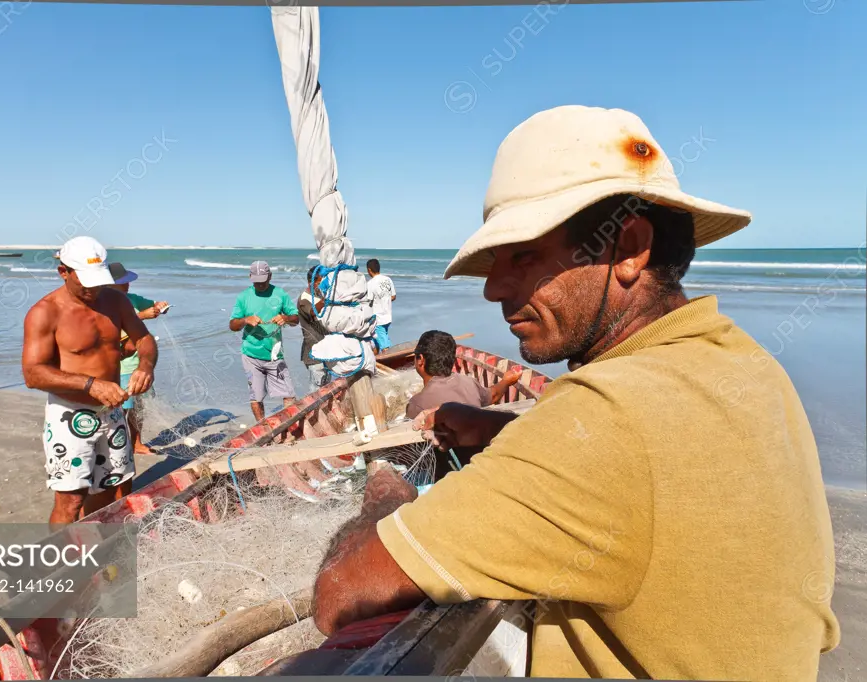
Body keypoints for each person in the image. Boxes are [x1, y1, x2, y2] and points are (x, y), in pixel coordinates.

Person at [310, 105, 839, 679]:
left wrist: (387, 493)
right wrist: (499, 430)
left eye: (522, 255)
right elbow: (650, 471)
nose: (491, 288)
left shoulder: (606, 415)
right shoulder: (746, 365)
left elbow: (342, 592)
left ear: (630, 248)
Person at [21, 236, 158, 528]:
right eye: (85, 281)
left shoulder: (116, 301)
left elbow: (143, 338)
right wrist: (90, 384)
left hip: (112, 412)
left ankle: (95, 552)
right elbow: (33, 373)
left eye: (98, 280)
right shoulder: (45, 312)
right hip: (69, 414)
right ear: (64, 272)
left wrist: (145, 365)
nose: (93, 289)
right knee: (71, 500)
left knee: (109, 491)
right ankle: (62, 561)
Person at [108, 262, 169, 455]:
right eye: (122, 282)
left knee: (138, 408)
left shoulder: (133, 299)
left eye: (127, 281)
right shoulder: (105, 304)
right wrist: (141, 316)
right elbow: (111, 332)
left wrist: (159, 305)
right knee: (122, 408)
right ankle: (118, 443)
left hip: (139, 363)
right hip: (122, 366)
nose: (127, 286)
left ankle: (136, 442)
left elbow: (152, 305)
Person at [228, 261, 300, 422]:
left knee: (288, 395)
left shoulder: (280, 294)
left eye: (263, 280)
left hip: (275, 355)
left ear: (270, 276)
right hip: (251, 355)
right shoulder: (243, 297)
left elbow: (296, 319)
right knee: (256, 396)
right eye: (256, 281)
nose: (260, 285)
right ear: (250, 277)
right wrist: (246, 320)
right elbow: (232, 325)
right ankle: (263, 428)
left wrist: (285, 318)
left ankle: (290, 428)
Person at [405, 330, 523, 421]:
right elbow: (493, 395)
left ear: (420, 359)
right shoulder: (469, 383)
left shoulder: (416, 404)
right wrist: (506, 381)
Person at [297, 266, 330, 391]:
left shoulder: (320, 296)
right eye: (322, 282)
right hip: (313, 352)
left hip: (327, 351)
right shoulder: (304, 299)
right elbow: (312, 312)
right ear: (312, 282)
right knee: (316, 390)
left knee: (326, 388)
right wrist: (328, 298)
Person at [365, 259, 396, 353]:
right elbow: (393, 296)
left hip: (377, 319)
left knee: (384, 344)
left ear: (369, 270)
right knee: (378, 340)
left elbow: (368, 301)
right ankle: (376, 360)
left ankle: (389, 360)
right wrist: (384, 300)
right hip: (388, 316)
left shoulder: (370, 284)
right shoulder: (388, 280)